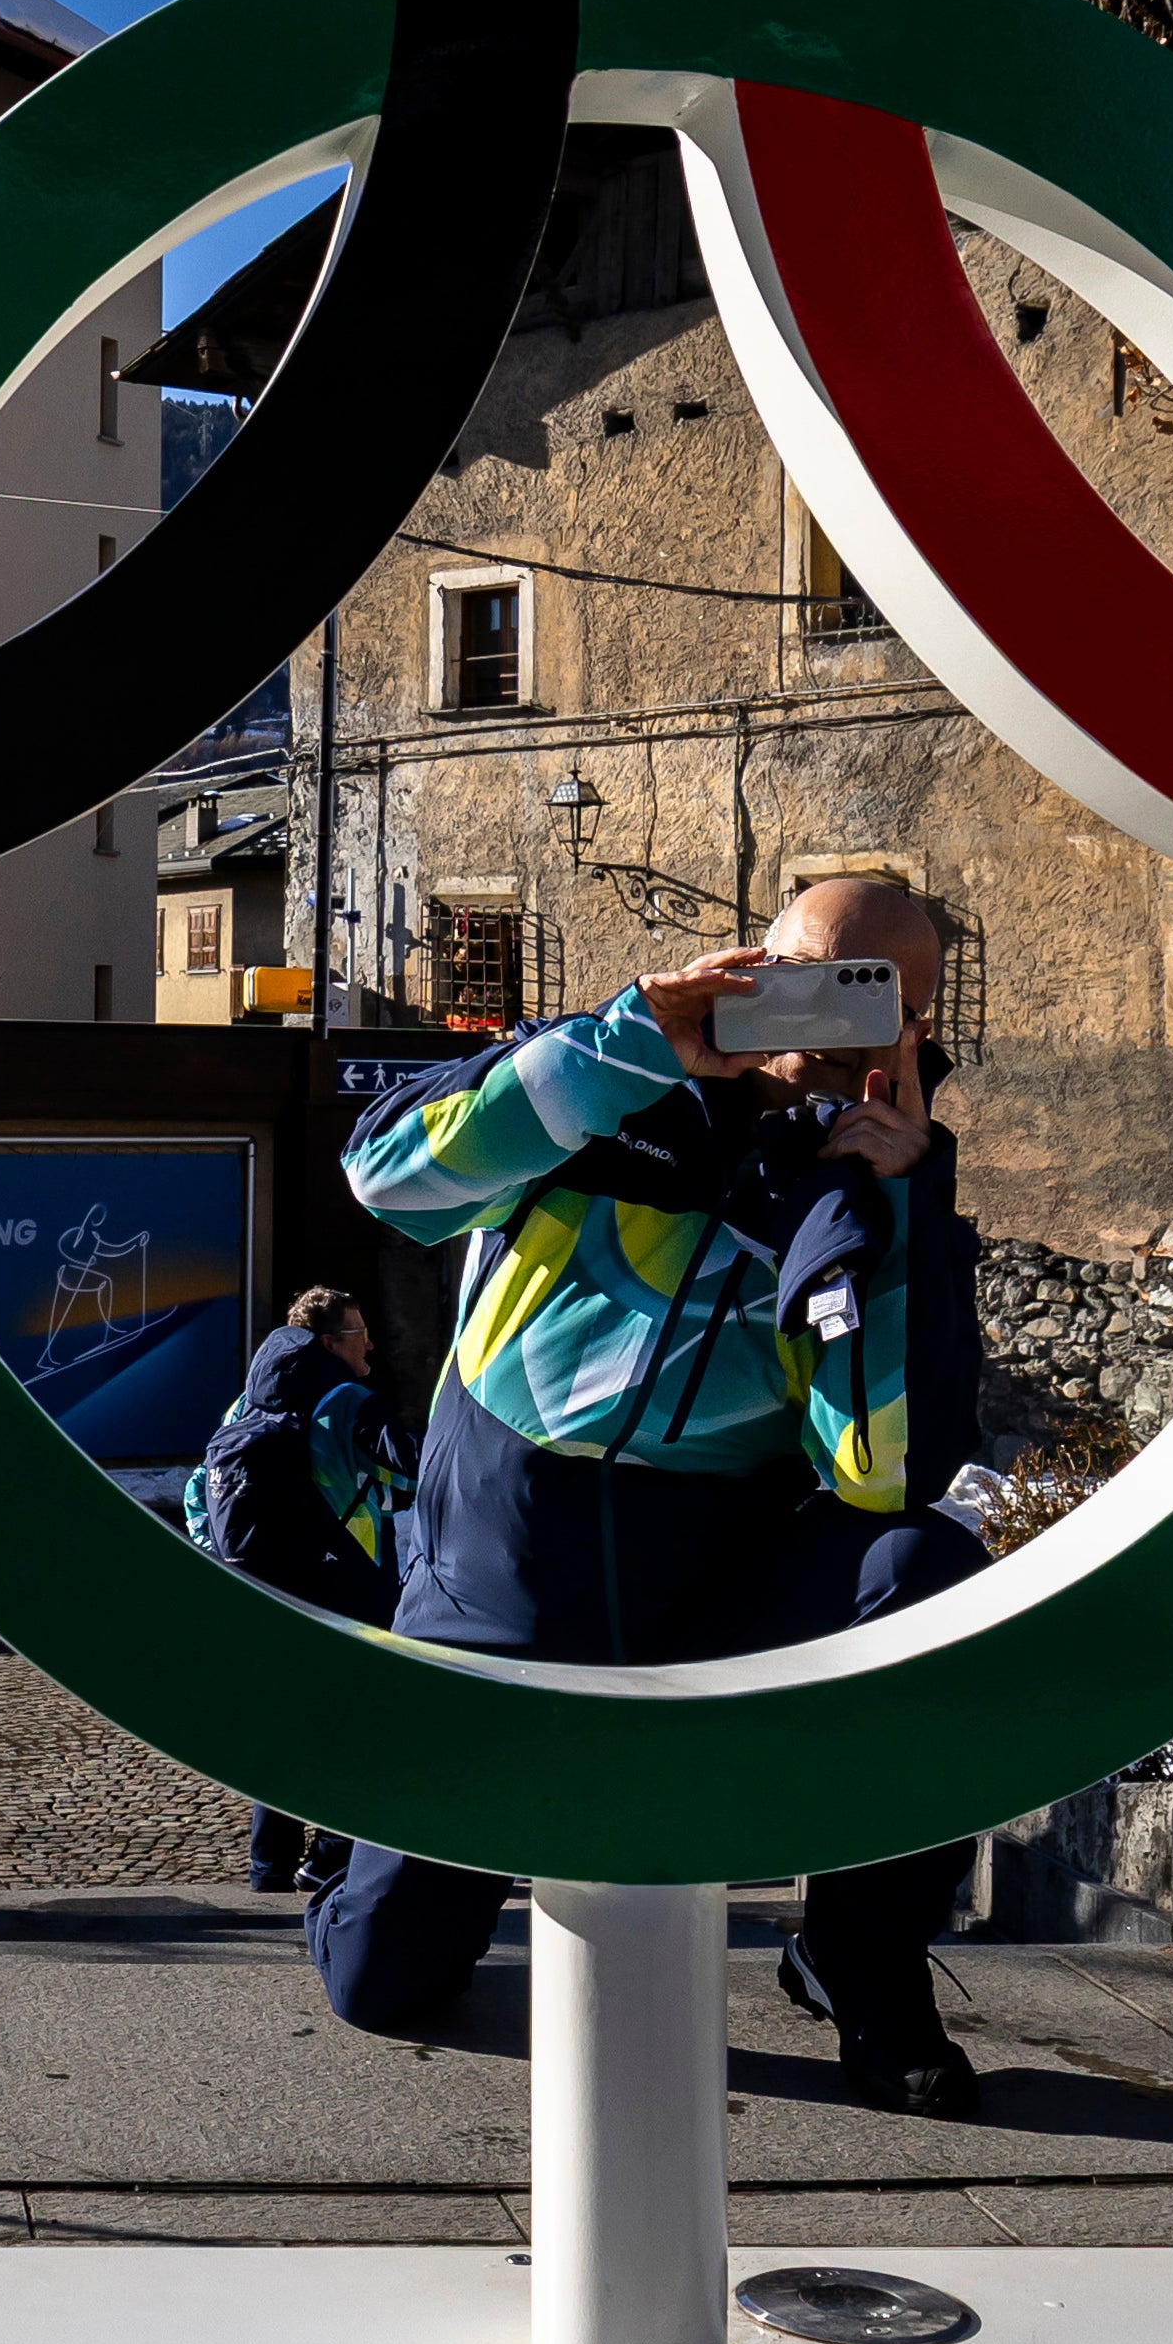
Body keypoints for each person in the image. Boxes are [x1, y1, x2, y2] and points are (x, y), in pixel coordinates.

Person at [307, 875, 995, 2117]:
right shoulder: (609, 1080)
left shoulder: (870, 1179)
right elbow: (385, 1177)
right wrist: (630, 1039)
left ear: (915, 1022)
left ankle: (861, 1956)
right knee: (382, 1978)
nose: (819, 1023)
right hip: (504, 1581)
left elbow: (881, 1473)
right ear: (752, 964)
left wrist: (897, 1212)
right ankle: (348, 1858)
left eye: (865, 996)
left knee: (927, 1576)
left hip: (708, 1590)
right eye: (801, 977)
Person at [185, 1282, 411, 1893]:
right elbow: (413, 1471)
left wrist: (232, 1561)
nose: (371, 1345)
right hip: (347, 1585)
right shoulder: (348, 1401)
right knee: (359, 1723)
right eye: (360, 1334)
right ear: (330, 1343)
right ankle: (331, 1857)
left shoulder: (246, 1403)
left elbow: (198, 1490)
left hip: (269, 1590)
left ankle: (269, 1869)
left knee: (284, 1726)